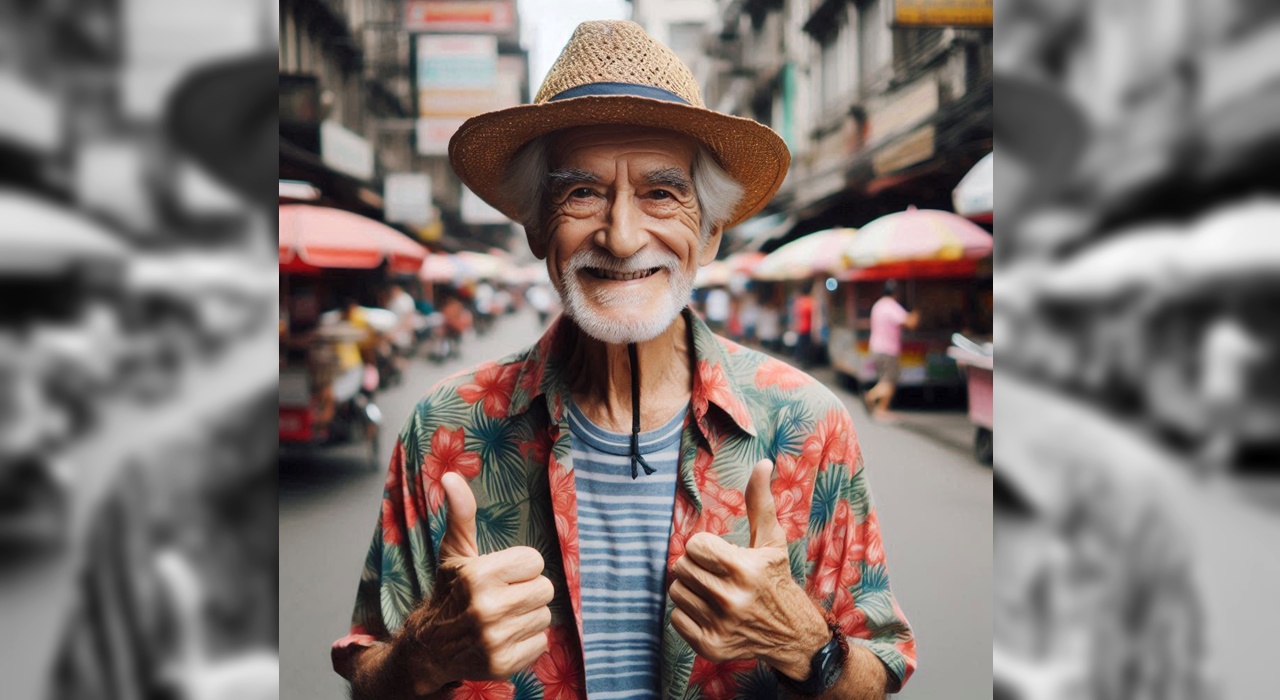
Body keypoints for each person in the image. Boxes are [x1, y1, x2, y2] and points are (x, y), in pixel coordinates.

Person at [332, 21, 915, 700]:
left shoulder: (809, 425)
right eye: (582, 193)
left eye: (661, 193)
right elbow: (368, 678)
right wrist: (425, 655)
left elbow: (878, 674)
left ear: (711, 231)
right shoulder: (443, 429)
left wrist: (805, 645)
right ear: (536, 226)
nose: (622, 234)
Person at [862, 282, 919, 420]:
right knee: (889, 380)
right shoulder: (891, 307)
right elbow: (910, 323)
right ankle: (871, 396)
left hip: (876, 347)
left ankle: (881, 409)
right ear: (896, 293)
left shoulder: (878, 305)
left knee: (885, 379)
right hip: (888, 349)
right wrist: (917, 311)